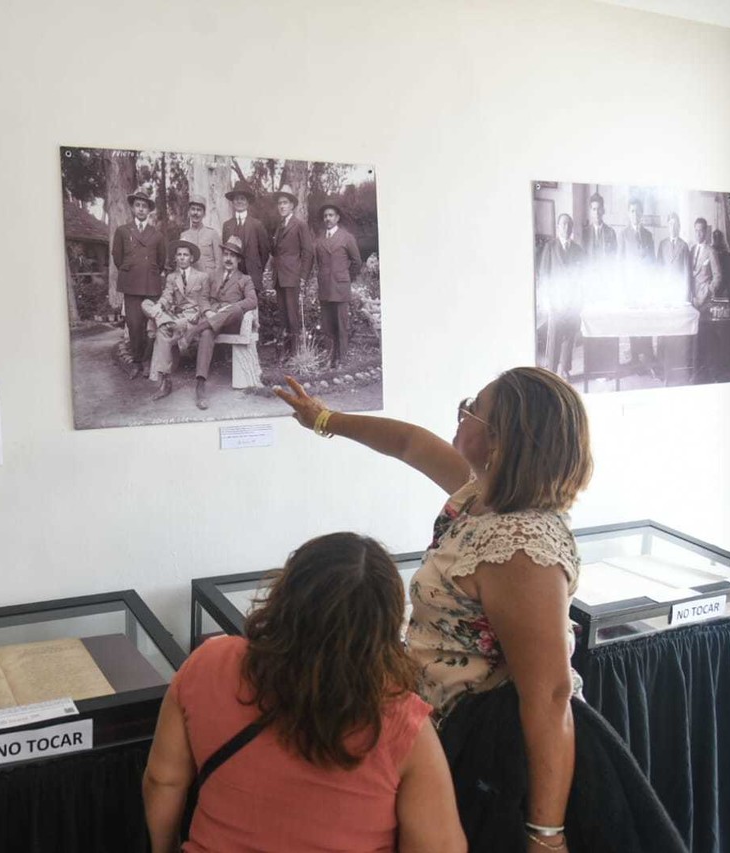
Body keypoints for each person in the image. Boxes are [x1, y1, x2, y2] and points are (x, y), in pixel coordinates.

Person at [276, 367, 686, 853]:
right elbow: (409, 443)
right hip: (448, 728)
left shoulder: (519, 547)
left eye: (473, 407)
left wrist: (546, 834)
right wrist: (324, 419)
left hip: (491, 752)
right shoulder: (481, 494)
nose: (462, 411)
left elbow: (549, 694)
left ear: (500, 442)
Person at [143, 532, 467, 853]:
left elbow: (163, 781)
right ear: (386, 627)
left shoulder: (209, 662)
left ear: (284, 595)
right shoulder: (405, 726)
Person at [174, 236, 258, 410]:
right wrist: (208, 311)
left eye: (232, 256)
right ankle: (200, 384)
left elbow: (252, 301)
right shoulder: (212, 276)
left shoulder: (245, 279)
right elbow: (203, 298)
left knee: (236, 309)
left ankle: (192, 331)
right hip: (212, 319)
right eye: (226, 254)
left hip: (232, 322)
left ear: (238, 260)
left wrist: (229, 308)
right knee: (206, 333)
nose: (228, 258)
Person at [144, 241, 211, 403]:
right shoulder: (171, 277)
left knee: (161, 330)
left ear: (191, 258)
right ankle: (166, 381)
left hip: (192, 318)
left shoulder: (202, 277)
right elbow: (167, 296)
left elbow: (205, 301)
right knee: (146, 304)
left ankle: (165, 382)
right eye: (179, 255)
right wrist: (160, 305)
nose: (182, 258)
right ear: (175, 258)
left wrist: (201, 313)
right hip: (174, 316)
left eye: (185, 255)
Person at [112, 190, 168, 379]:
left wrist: (148, 270)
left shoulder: (157, 235)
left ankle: (148, 361)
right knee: (134, 325)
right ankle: (137, 363)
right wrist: (133, 270)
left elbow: (161, 260)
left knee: (151, 326)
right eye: (138, 205)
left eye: (145, 206)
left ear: (149, 210)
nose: (141, 209)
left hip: (151, 284)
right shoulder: (122, 231)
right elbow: (117, 258)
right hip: (131, 284)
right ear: (133, 208)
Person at [313, 202, 362, 369]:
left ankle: (342, 359)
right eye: (325, 216)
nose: (328, 218)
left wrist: (346, 277)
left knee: (341, 325)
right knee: (327, 325)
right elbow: (318, 263)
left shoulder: (347, 237)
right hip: (325, 287)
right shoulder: (319, 240)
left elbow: (356, 262)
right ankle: (329, 358)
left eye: (331, 215)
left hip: (340, 287)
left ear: (337, 218)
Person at [269, 185, 314, 357]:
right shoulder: (279, 226)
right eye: (279, 203)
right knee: (283, 315)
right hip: (279, 277)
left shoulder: (299, 225)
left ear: (292, 206)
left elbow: (308, 252)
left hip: (293, 277)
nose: (281, 206)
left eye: (285, 203)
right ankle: (286, 351)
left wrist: (303, 276)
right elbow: (276, 252)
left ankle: (295, 354)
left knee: (293, 315)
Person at [538, 214, 584, 379]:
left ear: (572, 228)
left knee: (569, 336)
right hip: (555, 301)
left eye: (569, 225)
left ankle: (564, 368)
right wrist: (547, 301)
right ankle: (550, 371)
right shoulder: (550, 247)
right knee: (555, 336)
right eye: (563, 224)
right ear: (558, 227)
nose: (566, 228)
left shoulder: (578, 250)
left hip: (571, 302)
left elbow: (582, 278)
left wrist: (578, 300)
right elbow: (544, 275)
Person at [618, 198, 657, 373]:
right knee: (632, 321)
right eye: (632, 211)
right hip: (630, 286)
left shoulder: (649, 235)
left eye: (638, 211)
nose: (635, 215)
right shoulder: (623, 234)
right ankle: (634, 359)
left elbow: (653, 263)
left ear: (642, 214)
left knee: (646, 320)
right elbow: (620, 262)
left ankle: (648, 356)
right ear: (628, 213)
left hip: (645, 286)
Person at [220, 181, 271, 296]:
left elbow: (265, 252)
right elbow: (226, 251)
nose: (239, 201)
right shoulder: (227, 225)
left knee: (251, 311)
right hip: (232, 277)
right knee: (234, 311)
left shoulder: (257, 225)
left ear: (247, 202)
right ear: (233, 202)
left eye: (242, 198)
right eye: (237, 199)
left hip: (252, 276)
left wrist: (256, 269)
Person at [690, 218, 723, 382]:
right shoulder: (692, 249)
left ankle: (710, 375)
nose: (698, 233)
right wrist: (692, 297)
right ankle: (696, 373)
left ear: (706, 231)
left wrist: (705, 294)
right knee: (693, 338)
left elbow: (718, 277)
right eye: (696, 230)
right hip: (693, 301)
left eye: (701, 230)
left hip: (705, 303)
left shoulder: (711, 251)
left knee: (705, 339)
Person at [180, 195, 222, 286]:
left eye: (199, 210)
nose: (195, 213)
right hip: (190, 284)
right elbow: (180, 262)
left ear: (204, 214)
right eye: (193, 209)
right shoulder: (184, 236)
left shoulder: (213, 234)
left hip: (209, 283)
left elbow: (219, 264)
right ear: (189, 212)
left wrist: (215, 289)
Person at [656, 212, 692, 302]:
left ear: (679, 226)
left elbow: (686, 272)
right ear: (668, 226)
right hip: (665, 289)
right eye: (670, 224)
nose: (673, 227)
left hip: (678, 289)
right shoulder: (662, 244)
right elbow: (658, 268)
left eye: (675, 224)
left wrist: (686, 294)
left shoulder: (684, 246)